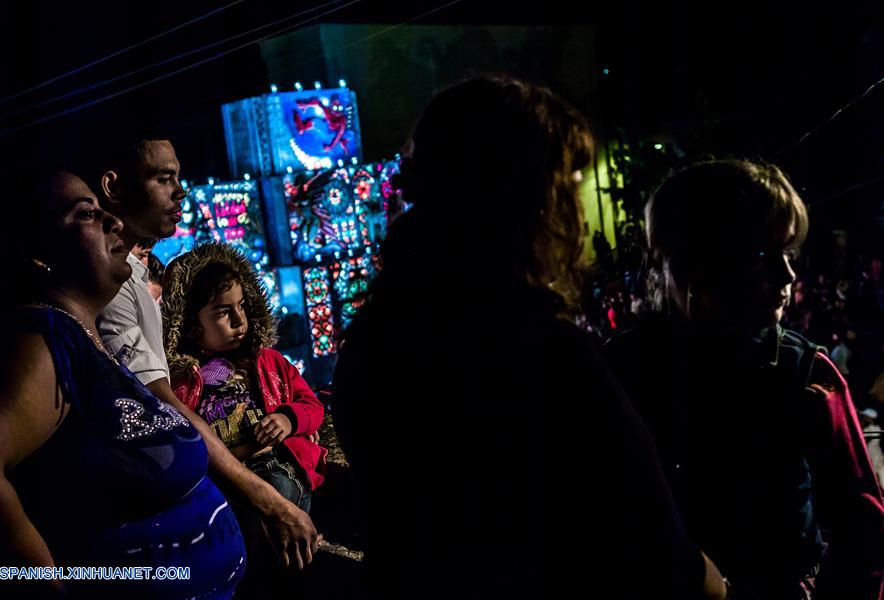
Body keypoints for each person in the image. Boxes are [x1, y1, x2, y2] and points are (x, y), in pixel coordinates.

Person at [332, 77, 727, 599]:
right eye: (570, 184)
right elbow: (659, 549)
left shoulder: (372, 339)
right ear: (528, 199)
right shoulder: (542, 350)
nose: (578, 212)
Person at [604, 159, 884, 599]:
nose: (789, 276)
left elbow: (863, 532)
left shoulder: (806, 372)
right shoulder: (616, 376)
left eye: (788, 255)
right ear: (697, 262)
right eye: (761, 256)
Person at [0, 170, 246, 598]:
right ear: (37, 254)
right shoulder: (42, 339)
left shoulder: (80, 337)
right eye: (86, 213)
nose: (114, 222)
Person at [91, 134, 320, 569]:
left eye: (179, 177)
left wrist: (288, 423)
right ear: (113, 187)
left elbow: (309, 405)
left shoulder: (135, 278)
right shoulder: (113, 287)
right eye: (164, 178)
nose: (181, 191)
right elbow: (163, 406)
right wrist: (266, 498)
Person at [162, 242, 327, 597]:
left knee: (277, 496)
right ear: (191, 326)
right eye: (222, 312)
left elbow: (312, 405)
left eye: (241, 307)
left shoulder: (268, 361)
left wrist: (287, 418)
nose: (240, 321)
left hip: (273, 466)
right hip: (224, 476)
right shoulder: (184, 381)